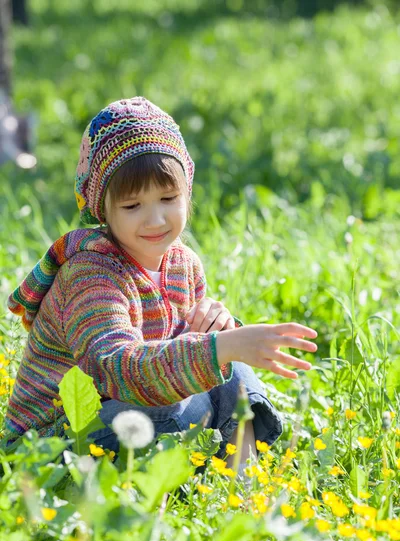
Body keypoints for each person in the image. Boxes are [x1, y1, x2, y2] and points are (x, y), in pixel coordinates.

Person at [3, 96, 318, 471]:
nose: (155, 220)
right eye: (132, 206)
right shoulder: (91, 274)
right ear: (103, 208)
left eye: (168, 198)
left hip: (137, 411)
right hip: (58, 439)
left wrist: (217, 329)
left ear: (187, 191)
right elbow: (116, 369)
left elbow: (185, 356)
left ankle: (240, 477)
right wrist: (217, 349)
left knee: (232, 367)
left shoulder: (182, 263)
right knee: (189, 392)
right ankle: (205, 460)